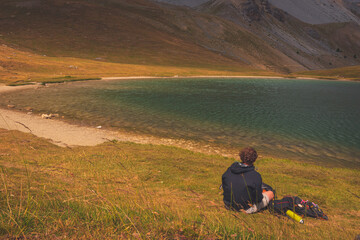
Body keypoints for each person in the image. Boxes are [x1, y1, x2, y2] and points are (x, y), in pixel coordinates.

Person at [222, 147, 274, 213]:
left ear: (241, 157)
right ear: (254, 159)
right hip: (244, 209)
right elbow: (258, 199)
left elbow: (224, 185)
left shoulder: (230, 170)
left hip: (227, 204)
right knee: (270, 193)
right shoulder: (256, 175)